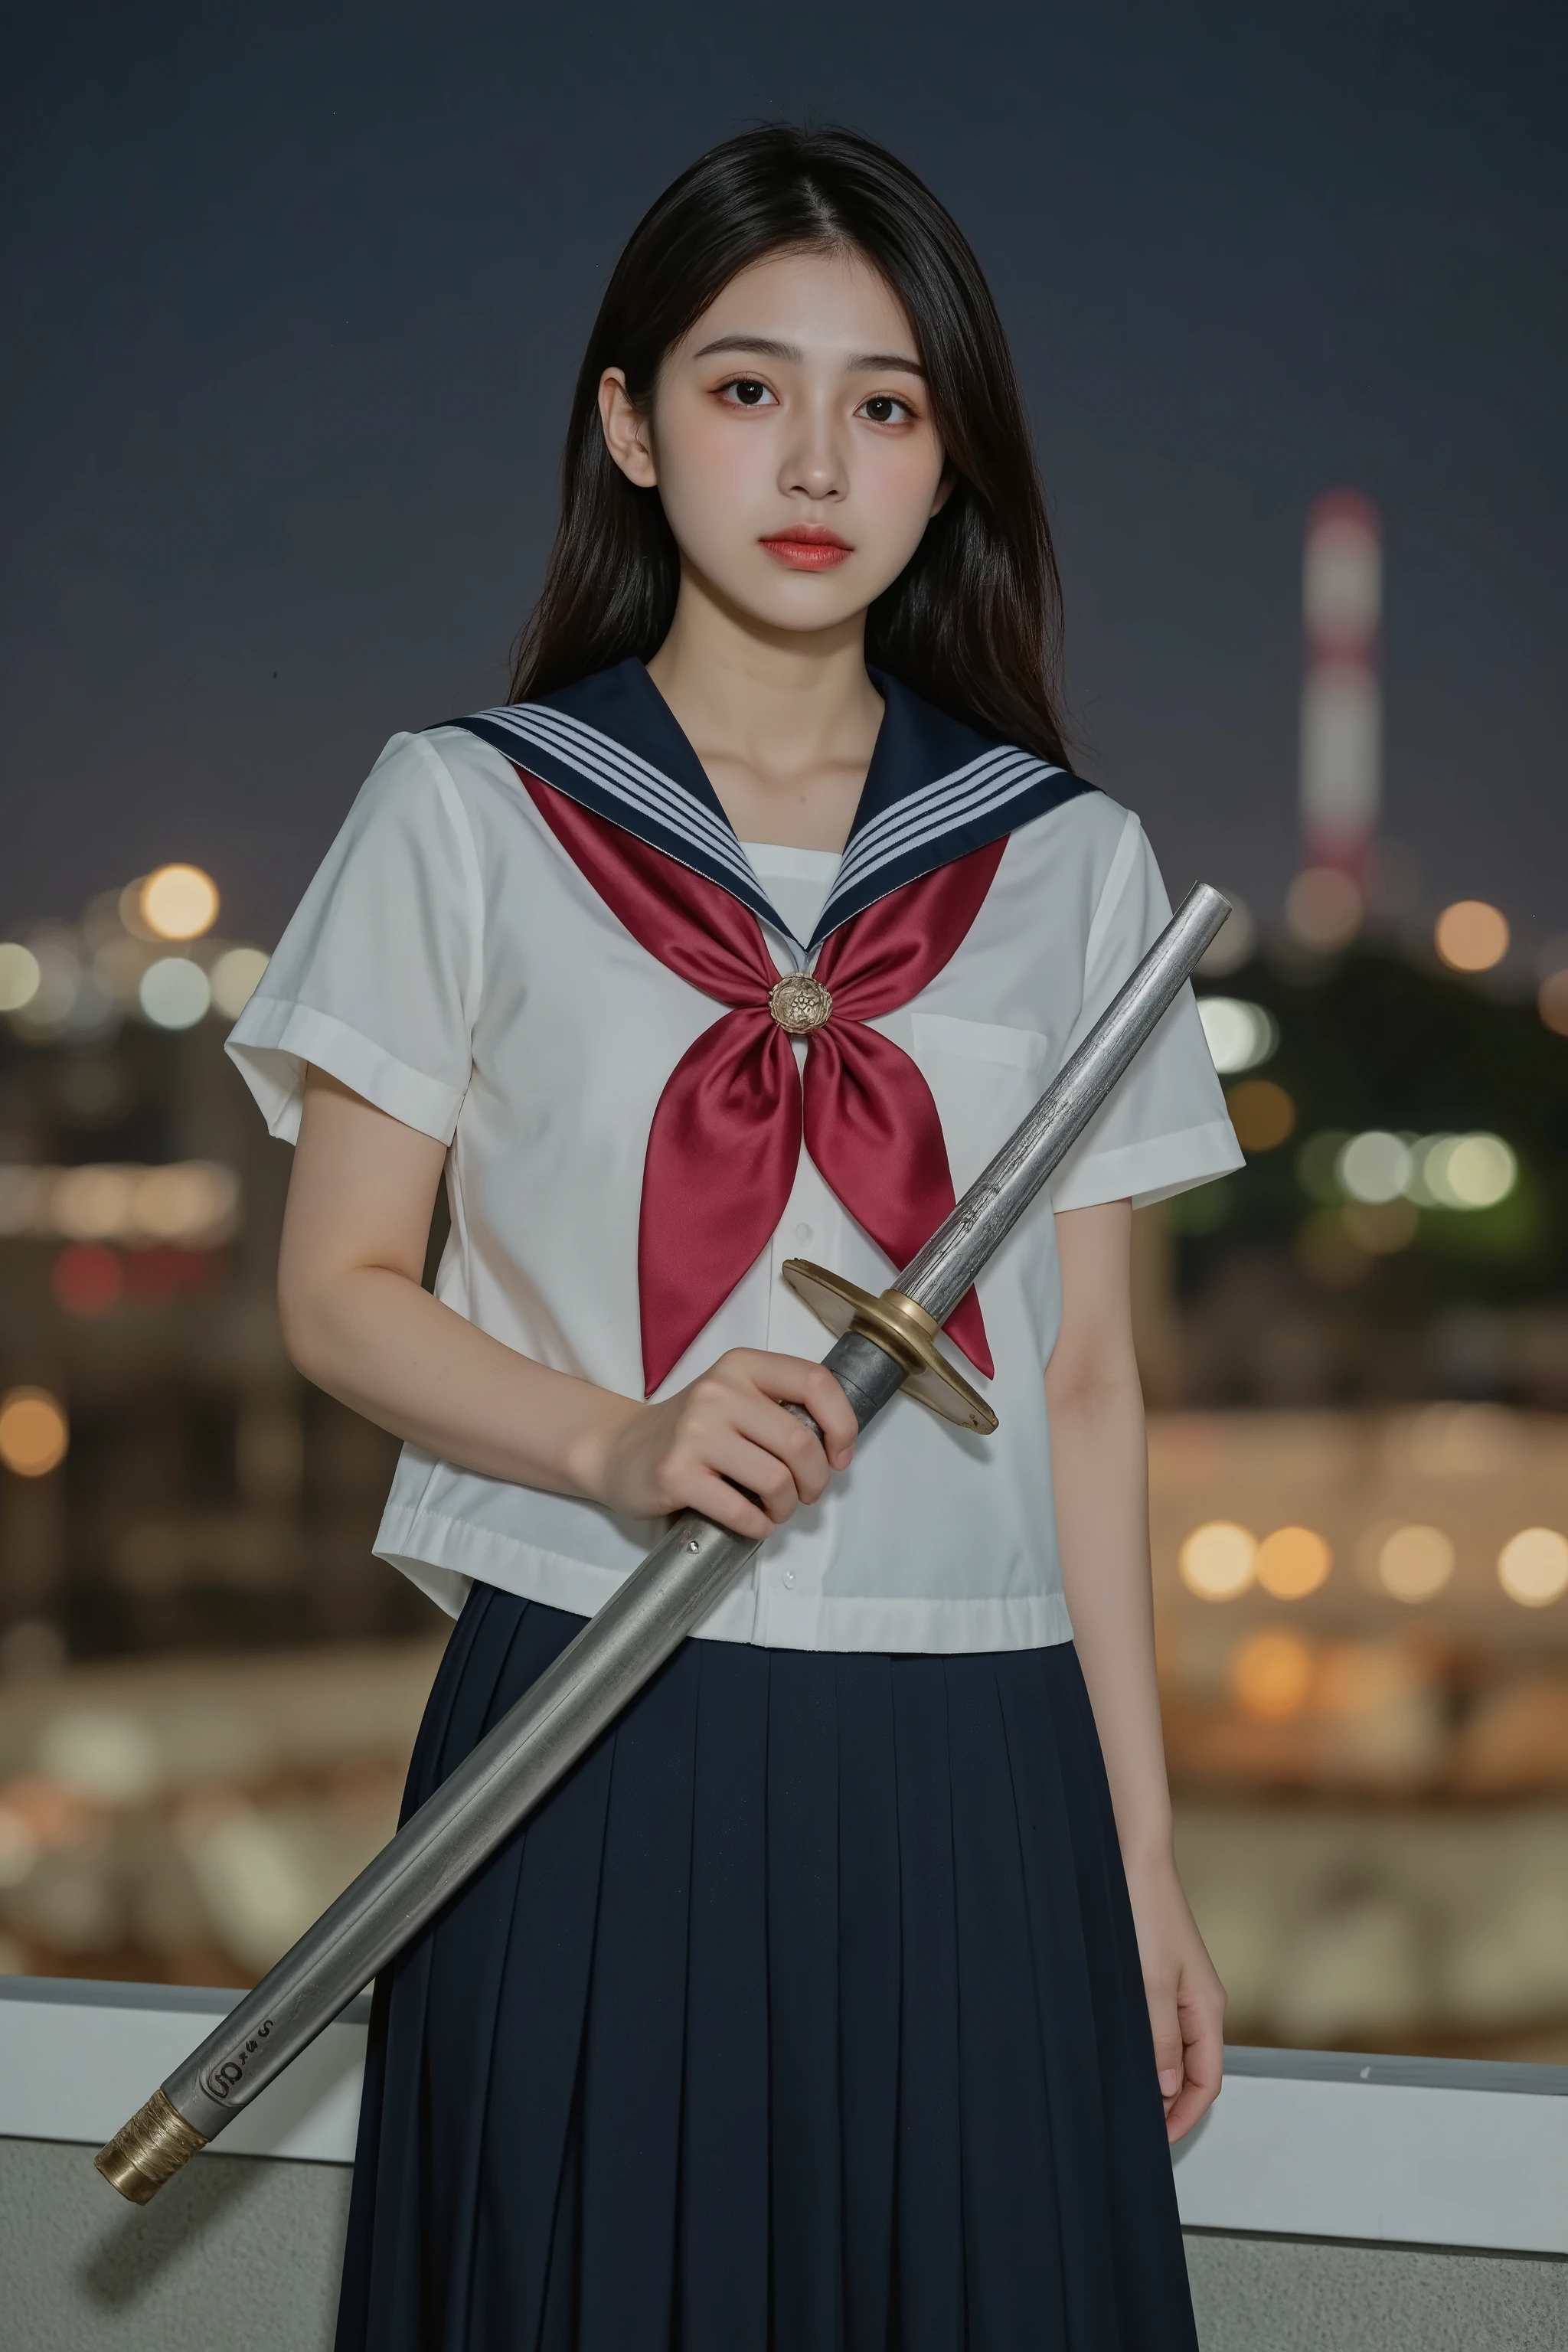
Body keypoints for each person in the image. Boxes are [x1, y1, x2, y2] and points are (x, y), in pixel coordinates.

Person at [228, 124, 1243, 2352]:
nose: (817, 461)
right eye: (743, 385)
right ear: (626, 421)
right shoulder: (467, 807)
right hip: (597, 1720)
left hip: (983, 1759)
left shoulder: (1073, 864)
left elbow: (1087, 1382)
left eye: (884, 402)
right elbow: (336, 1291)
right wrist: (613, 1442)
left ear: (947, 453)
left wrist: (1142, 1863)